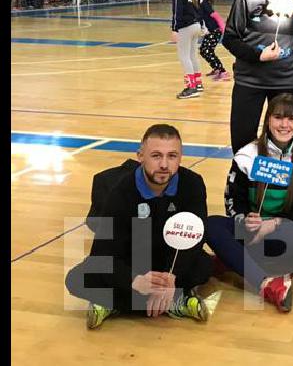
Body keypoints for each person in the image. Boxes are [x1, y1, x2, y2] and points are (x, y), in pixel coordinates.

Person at [65, 124, 212, 329]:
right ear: (140, 156)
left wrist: (172, 277)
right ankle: (176, 302)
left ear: (180, 157)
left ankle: (114, 304)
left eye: (172, 156)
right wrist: (134, 281)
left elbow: (196, 238)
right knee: (76, 279)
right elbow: (101, 252)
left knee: (204, 265)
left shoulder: (193, 183)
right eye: (156, 156)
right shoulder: (119, 191)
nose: (164, 164)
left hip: (168, 262)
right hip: (132, 261)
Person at [204, 94, 293, 313]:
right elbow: (232, 198)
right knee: (210, 225)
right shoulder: (247, 155)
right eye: (278, 117)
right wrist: (245, 219)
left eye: (291, 118)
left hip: (284, 232)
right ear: (268, 120)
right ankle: (266, 283)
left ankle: (234, 261)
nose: (284, 124)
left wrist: (275, 224)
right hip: (252, 231)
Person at [222, 0, 293, 152]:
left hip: (286, 82)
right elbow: (230, 38)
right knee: (242, 141)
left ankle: (278, 185)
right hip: (249, 82)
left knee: (282, 144)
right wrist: (258, 56)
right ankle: (244, 184)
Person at [171, 0, 220, 99]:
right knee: (192, 55)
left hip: (186, 27)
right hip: (196, 26)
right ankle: (198, 84)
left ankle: (191, 87)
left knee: (184, 56)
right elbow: (199, 9)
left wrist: (174, 29)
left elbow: (177, 13)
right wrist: (202, 25)